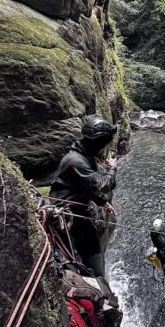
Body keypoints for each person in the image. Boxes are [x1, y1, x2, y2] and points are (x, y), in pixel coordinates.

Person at [49, 116, 120, 283]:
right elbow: (102, 185)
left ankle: (95, 278)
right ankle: (97, 283)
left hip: (76, 207)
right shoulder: (76, 161)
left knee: (91, 245)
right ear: (98, 142)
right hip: (69, 213)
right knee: (88, 248)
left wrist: (103, 203)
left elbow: (85, 185)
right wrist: (113, 169)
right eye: (104, 143)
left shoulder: (83, 155)